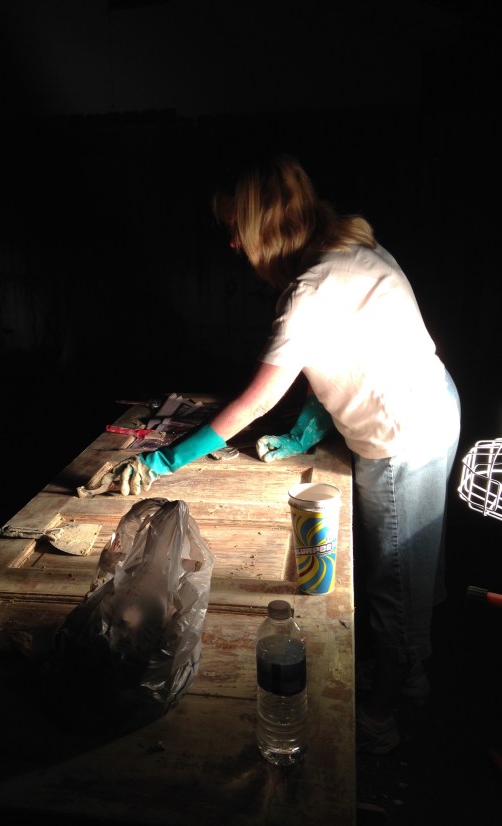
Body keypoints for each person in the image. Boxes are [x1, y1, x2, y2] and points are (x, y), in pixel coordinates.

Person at [87, 152, 461, 755]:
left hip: (401, 436)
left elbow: (254, 403)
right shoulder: (354, 248)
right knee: (417, 564)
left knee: (394, 580)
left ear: (265, 226)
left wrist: (158, 462)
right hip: (432, 408)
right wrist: (310, 427)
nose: (232, 243)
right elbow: (350, 350)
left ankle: (380, 719)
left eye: (237, 226)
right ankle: (410, 675)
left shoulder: (311, 288)